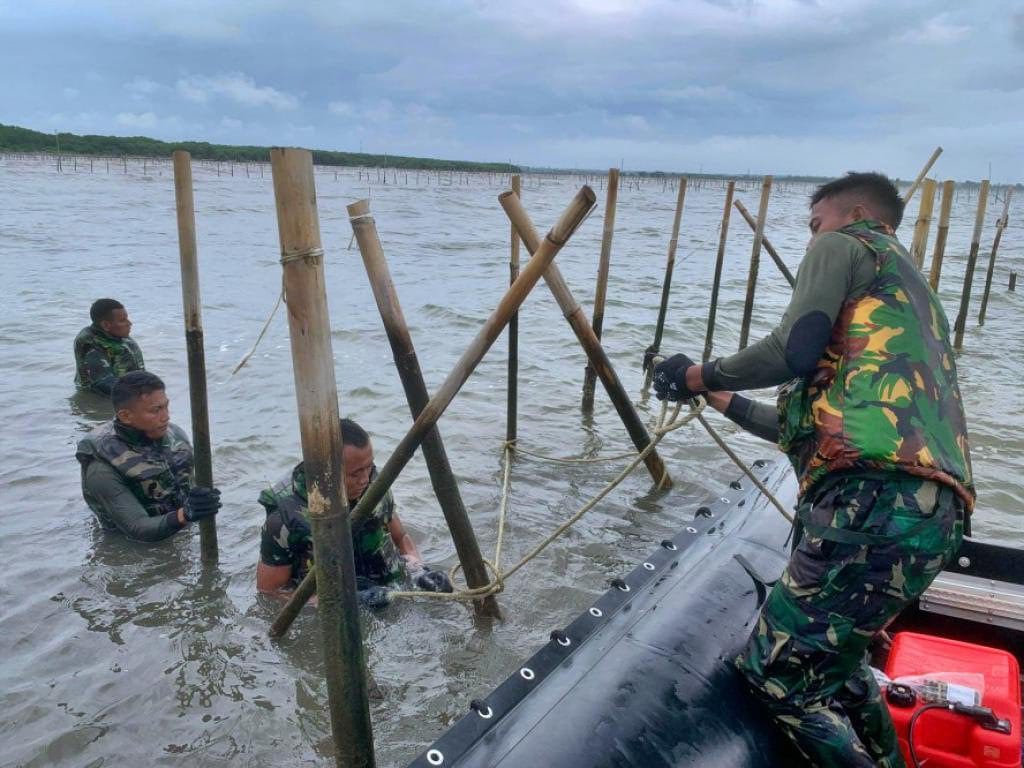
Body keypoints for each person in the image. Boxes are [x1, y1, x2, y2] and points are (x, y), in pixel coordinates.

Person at [653, 172, 972, 767]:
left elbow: (790, 352)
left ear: (853, 214)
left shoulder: (846, 243)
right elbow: (807, 429)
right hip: (933, 515)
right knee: (841, 668)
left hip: (870, 505)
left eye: (813, 224)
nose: (810, 241)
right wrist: (716, 399)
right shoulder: (909, 304)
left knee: (780, 679)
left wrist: (696, 374)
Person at [256, 418, 452, 607]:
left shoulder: (375, 484)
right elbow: (270, 592)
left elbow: (401, 538)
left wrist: (418, 570)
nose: (365, 479)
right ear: (326, 471)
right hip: (332, 607)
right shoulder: (284, 518)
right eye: (355, 473)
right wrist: (343, 602)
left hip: (387, 589)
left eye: (368, 467)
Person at [77, 371, 221, 541]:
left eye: (166, 406)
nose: (166, 417)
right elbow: (136, 527)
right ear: (126, 416)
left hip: (182, 525)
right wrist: (186, 514)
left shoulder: (175, 435)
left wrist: (202, 500)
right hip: (134, 547)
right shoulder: (101, 469)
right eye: (156, 410)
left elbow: (190, 484)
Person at [74, 298, 145, 395]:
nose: (129, 323)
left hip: (128, 391)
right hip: (100, 400)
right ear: (106, 325)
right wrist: (140, 394)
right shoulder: (89, 342)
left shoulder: (119, 336)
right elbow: (103, 382)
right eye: (123, 320)